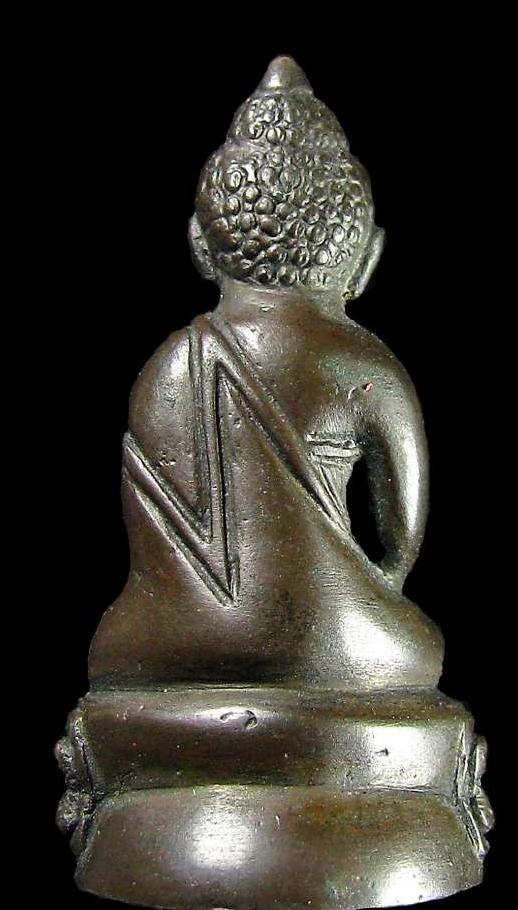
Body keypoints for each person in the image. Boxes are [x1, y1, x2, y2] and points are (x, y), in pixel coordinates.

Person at [89, 57, 444, 691]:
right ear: (366, 259)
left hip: (163, 646)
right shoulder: (365, 367)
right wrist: (358, 598)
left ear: (201, 247)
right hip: (326, 636)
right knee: (412, 646)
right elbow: (399, 542)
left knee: (122, 644)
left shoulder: (166, 365)